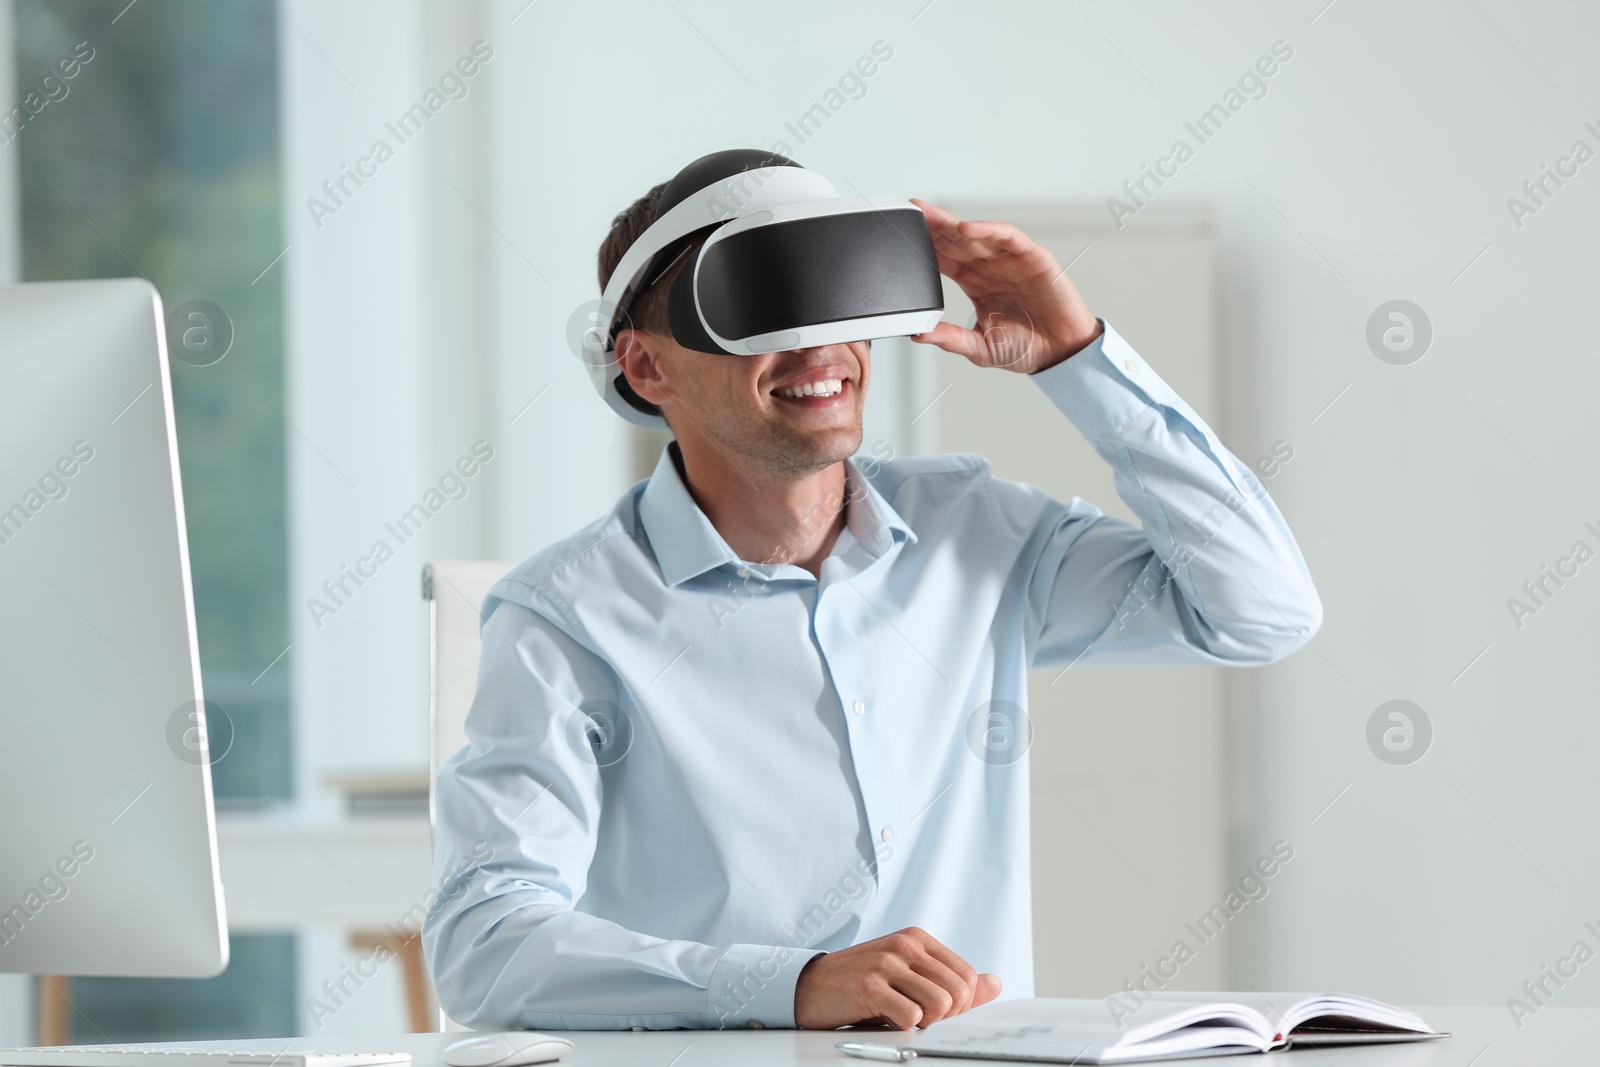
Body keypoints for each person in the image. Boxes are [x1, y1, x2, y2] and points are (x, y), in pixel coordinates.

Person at [422, 153, 1322, 1033]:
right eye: (765, 311)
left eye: (835, 298)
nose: (820, 347)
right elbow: (485, 945)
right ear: (648, 367)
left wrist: (1079, 360)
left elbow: (1261, 608)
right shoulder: (567, 619)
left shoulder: (975, 532)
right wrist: (790, 985)